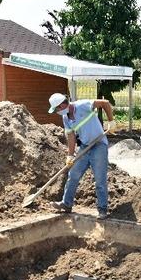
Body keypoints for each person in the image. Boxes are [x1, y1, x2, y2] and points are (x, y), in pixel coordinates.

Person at [47, 92, 115, 220]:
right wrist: (70, 155)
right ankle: (66, 204)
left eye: (56, 109)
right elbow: (71, 136)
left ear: (62, 105)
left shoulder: (83, 105)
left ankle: (102, 209)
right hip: (85, 147)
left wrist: (111, 121)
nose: (56, 112)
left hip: (99, 145)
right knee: (73, 175)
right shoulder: (66, 118)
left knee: (100, 180)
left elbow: (105, 103)